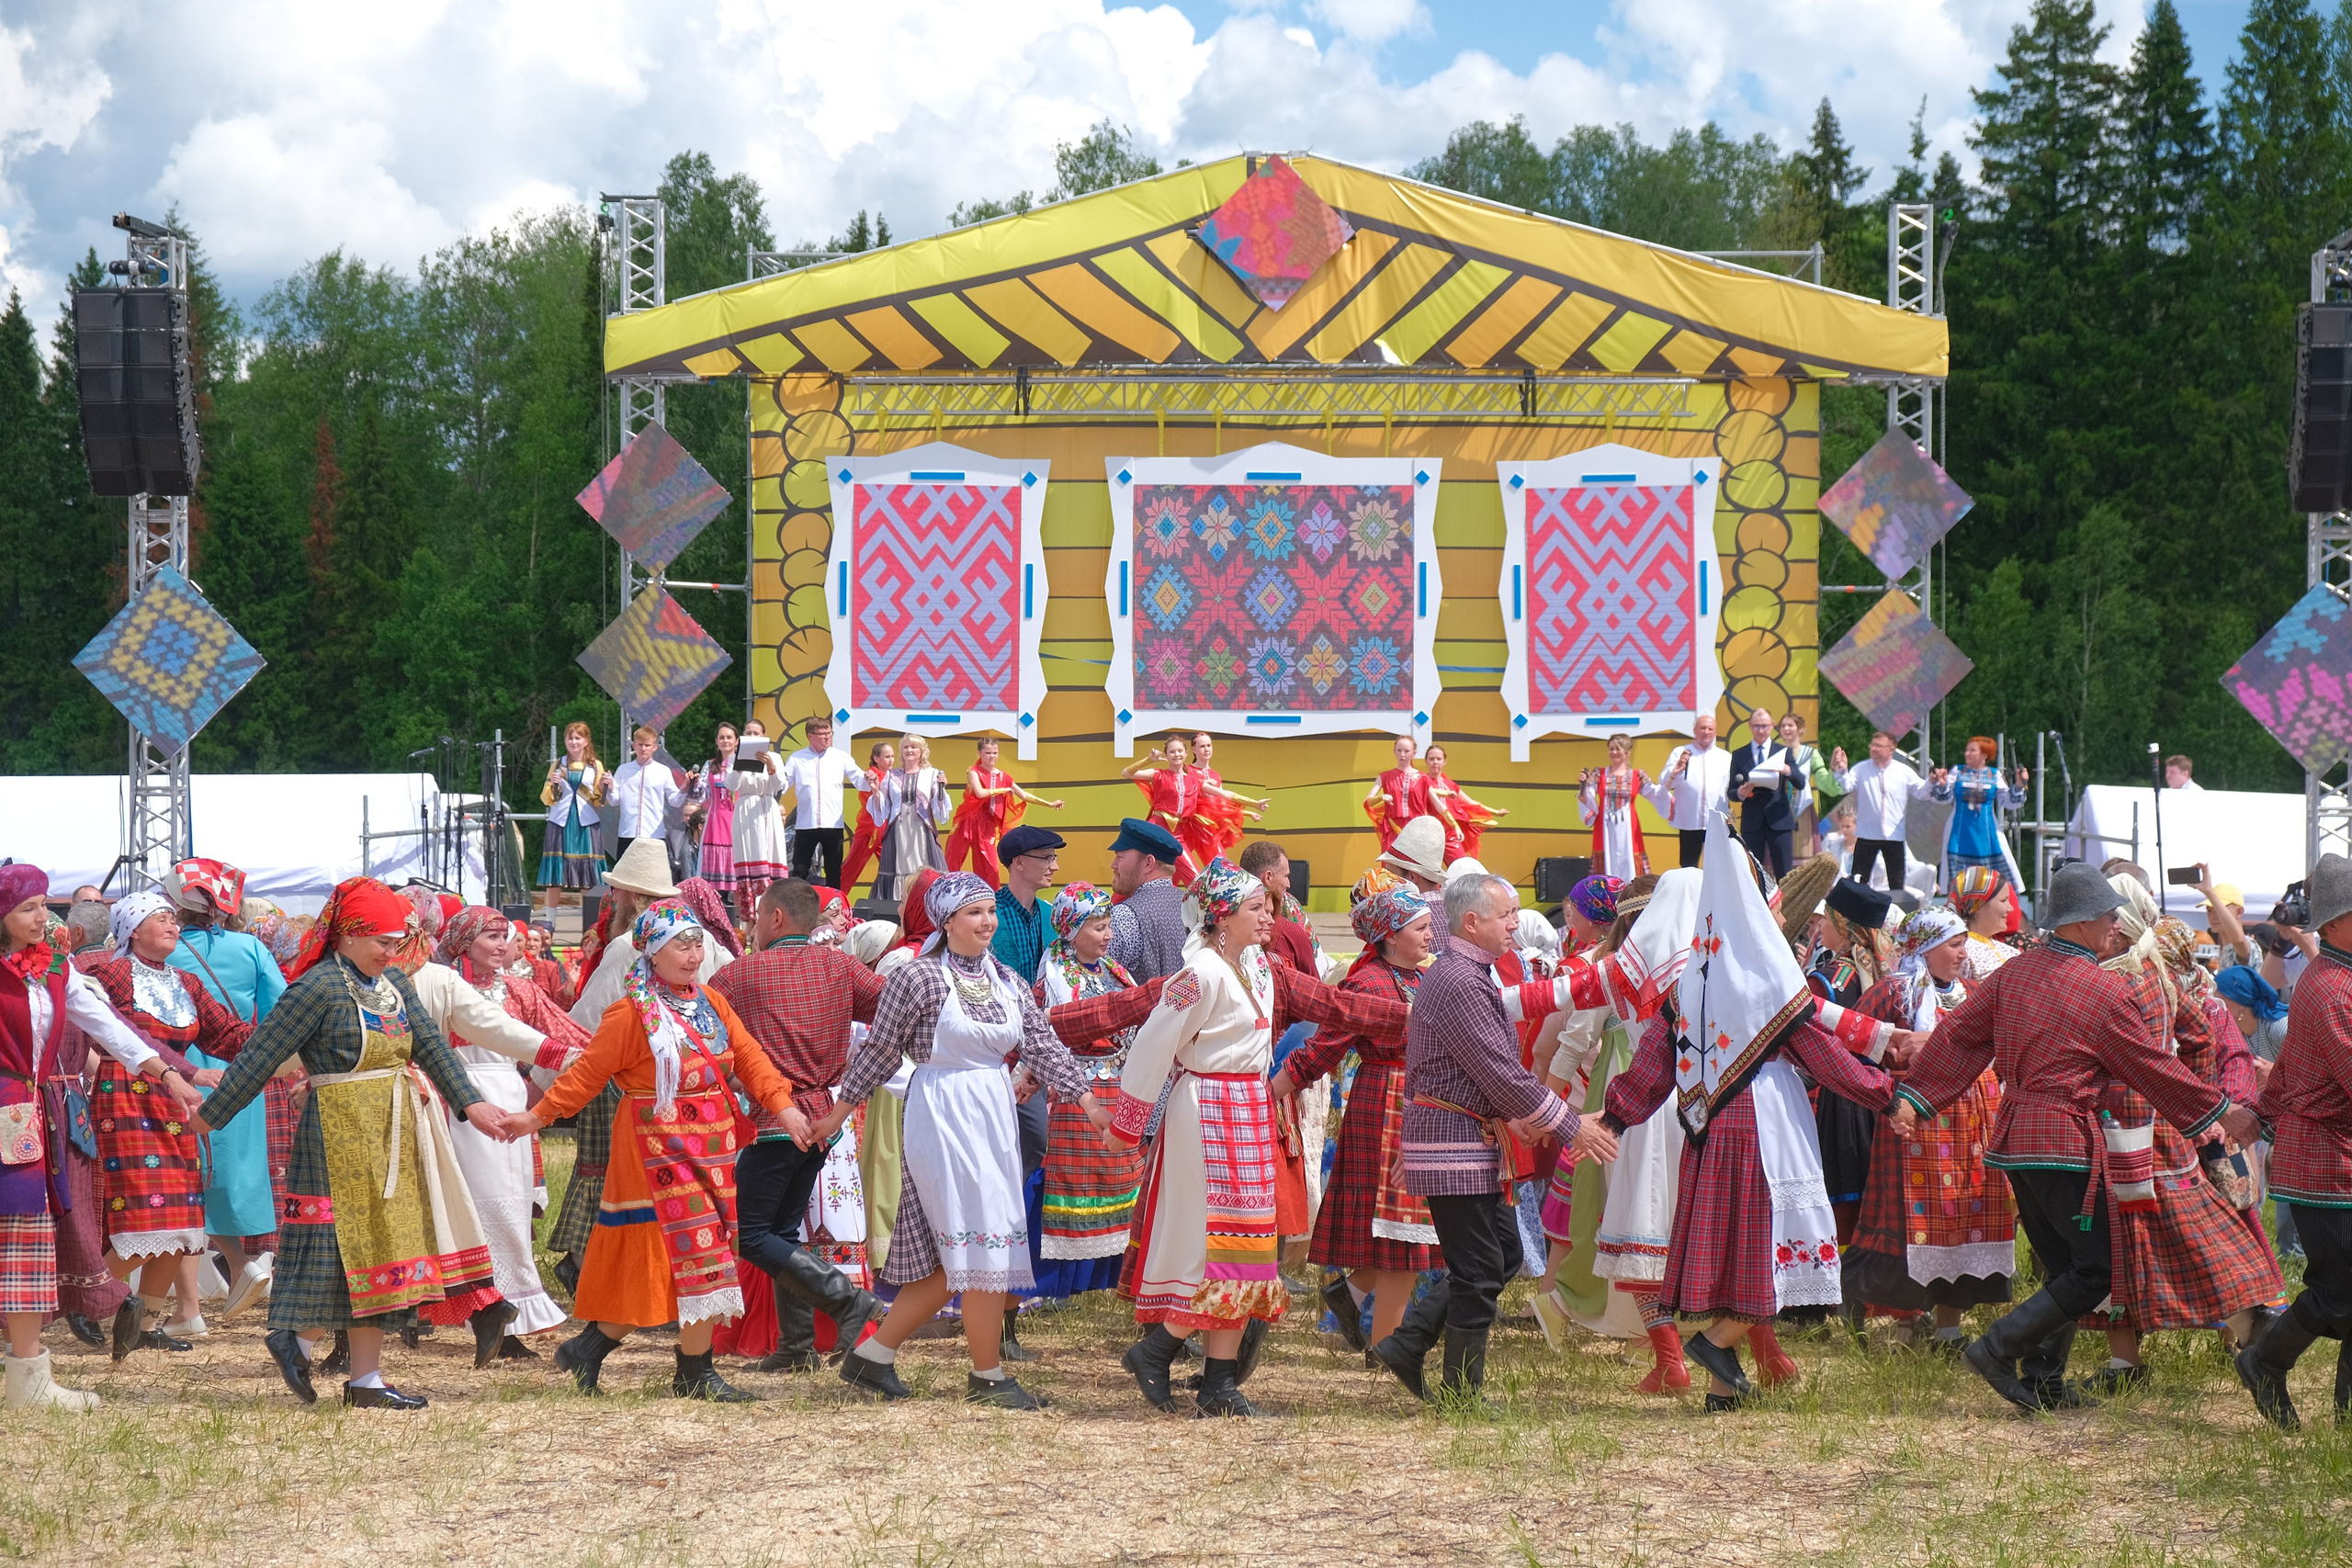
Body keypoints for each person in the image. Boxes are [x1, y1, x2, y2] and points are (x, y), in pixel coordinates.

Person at [1894, 862, 2261, 1412]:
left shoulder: (2011, 975)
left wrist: (1915, 1097)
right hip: (2064, 1143)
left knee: (2064, 1269)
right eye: (2109, 917)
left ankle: (2042, 1378)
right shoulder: (2101, 990)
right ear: (2082, 923)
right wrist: (2221, 1113)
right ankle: (1999, 1346)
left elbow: (1958, 1040)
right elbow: (2151, 1067)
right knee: (2100, 1270)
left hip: (2013, 1142)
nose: (2117, 925)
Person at [1597, 818, 1901, 1409]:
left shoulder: (1696, 978)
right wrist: (1886, 1095)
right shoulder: (1765, 980)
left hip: (1707, 1131)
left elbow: (1657, 1065)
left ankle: (1720, 1389)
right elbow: (1820, 1051)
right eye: (1776, 906)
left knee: (1735, 1248)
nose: (1784, 917)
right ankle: (1714, 1345)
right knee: (1769, 1244)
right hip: (1763, 1127)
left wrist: (1615, 1115)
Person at [194, 878, 507, 1410]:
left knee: (388, 1253)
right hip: (333, 1137)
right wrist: (208, 1118)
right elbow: (260, 1057)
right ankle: (296, 1338)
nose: (392, 953)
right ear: (349, 935)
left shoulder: (395, 986)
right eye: (383, 942)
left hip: (393, 1133)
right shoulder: (316, 988)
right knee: (332, 1249)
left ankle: (366, 1381)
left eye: (397, 942)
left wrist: (471, 1104)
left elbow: (431, 1046)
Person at [825, 872, 1107, 1410]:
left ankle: (874, 1355)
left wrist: (1088, 1103)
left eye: (990, 912)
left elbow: (1043, 1045)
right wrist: (837, 1113)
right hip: (943, 1112)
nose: (988, 922)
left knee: (962, 1252)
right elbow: (881, 1051)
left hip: (992, 1112)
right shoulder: (919, 979)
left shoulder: (1007, 981)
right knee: (982, 1242)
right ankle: (988, 1376)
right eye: (975, 913)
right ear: (947, 920)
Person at [501, 901, 797, 1402]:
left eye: (698, 943)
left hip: (713, 1144)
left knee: (695, 1251)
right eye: (681, 945)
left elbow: (749, 1057)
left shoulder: (711, 1003)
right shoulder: (630, 1013)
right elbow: (587, 1076)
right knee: (680, 1252)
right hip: (655, 1148)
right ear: (653, 954)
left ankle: (598, 1349)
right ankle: (692, 1370)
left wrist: (783, 1108)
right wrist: (535, 1117)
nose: (693, 954)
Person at [1363, 872, 1580, 1407]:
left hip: (1465, 1141)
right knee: (1481, 1266)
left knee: (1502, 1253)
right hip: (1453, 1143)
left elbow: (1487, 1071)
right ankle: (1459, 1389)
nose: (1515, 924)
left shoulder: (1468, 973)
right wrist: (1572, 1124)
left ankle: (1409, 1344)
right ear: (1472, 921)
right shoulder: (1461, 980)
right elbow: (1499, 1072)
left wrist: (1523, 1116)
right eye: (1506, 914)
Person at [1103, 860, 1297, 1417]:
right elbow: (1152, 1047)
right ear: (1221, 917)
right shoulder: (1199, 974)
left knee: (1248, 1245)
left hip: (1247, 1110)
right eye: (1255, 908)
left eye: (1268, 906)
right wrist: (1128, 1123)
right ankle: (1162, 1350)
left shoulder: (1256, 966)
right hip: (1206, 1110)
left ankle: (1216, 1381)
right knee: (1212, 1244)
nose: (1268, 916)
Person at [2077, 876, 2282, 1391]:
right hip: (2147, 1125)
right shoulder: (2147, 974)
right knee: (2143, 1240)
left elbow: (2197, 1040)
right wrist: (2186, 1092)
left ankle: (2246, 1329)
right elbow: (2196, 1039)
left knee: (2167, 1237)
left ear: (2120, 924)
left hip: (2135, 1129)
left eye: (2107, 917)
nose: (2102, 926)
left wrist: (2188, 1095)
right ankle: (2132, 1362)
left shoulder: (2120, 977)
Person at [0, 865, 180, 1410]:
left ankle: (28, 1378)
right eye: (29, 907)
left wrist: (169, 1072)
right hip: (13, 1109)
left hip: (22, 1125)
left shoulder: (54, 969)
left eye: (44, 906)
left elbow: (107, 1024)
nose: (43, 917)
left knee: (25, 1239)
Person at [706, 876, 889, 1373]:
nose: (753, 923)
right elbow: (894, 1009)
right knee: (783, 1230)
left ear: (776, 918)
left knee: (749, 1232)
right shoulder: (841, 966)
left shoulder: (739, 975)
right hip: (825, 1117)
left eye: (758, 914)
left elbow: (702, 1036)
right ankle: (797, 1343)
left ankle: (847, 1301)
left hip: (773, 1117)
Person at [1271, 886, 1437, 1359]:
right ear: (1390, 935)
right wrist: (1265, 1099)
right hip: (1386, 1104)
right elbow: (1321, 1049)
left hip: (1413, 1104)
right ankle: (1388, 1347)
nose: (1430, 935)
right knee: (1400, 1233)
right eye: (1421, 928)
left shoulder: (1418, 979)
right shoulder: (1368, 985)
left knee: (1402, 1231)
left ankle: (1352, 1297)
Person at [86, 893, 254, 1355]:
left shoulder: (187, 982)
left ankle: (143, 1322)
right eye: (157, 917)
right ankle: (82, 1298)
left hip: (173, 1102)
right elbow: (104, 1027)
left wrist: (282, 1032)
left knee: (180, 1218)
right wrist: (183, 1069)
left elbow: (228, 1034)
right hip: (124, 1093)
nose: (171, 923)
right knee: (143, 1213)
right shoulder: (110, 973)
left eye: (172, 917)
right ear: (132, 930)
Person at [1842, 908, 2015, 1349]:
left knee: (1961, 1218)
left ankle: (1948, 1331)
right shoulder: (1892, 994)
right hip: (1915, 1125)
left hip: (1972, 1125)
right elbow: (1850, 1050)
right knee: (1905, 1222)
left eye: (1963, 943)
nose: (1963, 952)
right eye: (1954, 943)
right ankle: (1890, 1320)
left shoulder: (1975, 993)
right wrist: (1888, 1088)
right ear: (1926, 946)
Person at [426, 907, 584, 1359]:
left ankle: (505, 1314)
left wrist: (613, 1054)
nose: (502, 946)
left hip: (508, 1102)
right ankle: (474, 1308)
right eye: (491, 937)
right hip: (457, 1097)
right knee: (466, 1206)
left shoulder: (520, 990)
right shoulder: (441, 989)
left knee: (509, 1206)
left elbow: (565, 1033)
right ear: (462, 942)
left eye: (506, 937)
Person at [2236, 852, 2352, 1427]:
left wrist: (2262, 1112)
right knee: (2336, 1291)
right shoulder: (2332, 988)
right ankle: (2264, 1359)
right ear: (2332, 925)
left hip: (2332, 1157)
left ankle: (2347, 1412)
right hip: (2323, 1162)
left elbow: (2283, 1077)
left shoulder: (2336, 980)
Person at [160, 856, 288, 1317]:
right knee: (234, 1175)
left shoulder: (161, 950)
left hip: (176, 1068)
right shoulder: (252, 949)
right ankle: (238, 1269)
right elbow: (279, 1013)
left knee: (181, 1181)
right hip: (242, 1069)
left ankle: (193, 1302)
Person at [1029, 882, 1146, 1299]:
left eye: (1108, 924)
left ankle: (1110, 1277)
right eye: (1098, 926)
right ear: (1071, 928)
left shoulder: (1117, 973)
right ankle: (1064, 1283)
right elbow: (1040, 1035)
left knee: (1118, 1177)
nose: (1107, 935)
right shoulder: (1053, 978)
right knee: (1076, 1181)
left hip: (1119, 1086)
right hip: (1076, 1092)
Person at [945, 737, 1063, 890]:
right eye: (988, 752)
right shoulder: (974, 771)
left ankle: (991, 899)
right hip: (967, 820)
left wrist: (1049, 804)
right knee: (953, 860)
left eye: (995, 752)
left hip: (987, 826)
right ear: (980, 753)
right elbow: (980, 793)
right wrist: (1003, 790)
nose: (992, 756)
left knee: (990, 866)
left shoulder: (1003, 776)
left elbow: (1024, 795)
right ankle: (945, 891)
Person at [778, 716, 876, 888]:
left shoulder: (840, 757)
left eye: (829, 733)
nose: (827, 737)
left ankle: (834, 909)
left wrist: (868, 777)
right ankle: (799, 908)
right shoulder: (797, 758)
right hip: (806, 823)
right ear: (810, 736)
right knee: (800, 870)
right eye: (822, 734)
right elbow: (783, 785)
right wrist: (774, 780)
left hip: (833, 823)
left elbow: (859, 781)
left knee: (833, 871)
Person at [1829, 731, 1931, 892]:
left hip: (1893, 835)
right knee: (1858, 880)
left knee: (1896, 883)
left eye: (1879, 746)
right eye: (1872, 745)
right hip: (1866, 835)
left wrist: (1932, 782)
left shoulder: (1903, 771)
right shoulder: (1862, 768)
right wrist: (1842, 770)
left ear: (1891, 749)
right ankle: (1856, 914)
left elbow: (1922, 791)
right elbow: (1846, 786)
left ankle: (1896, 914)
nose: (1874, 749)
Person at [1929, 737, 2026, 890]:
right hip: (1960, 830)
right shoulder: (1958, 771)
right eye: (1967, 750)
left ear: (1984, 755)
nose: (1967, 753)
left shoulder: (1994, 775)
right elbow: (1943, 798)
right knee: (1960, 882)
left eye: (1972, 750)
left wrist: (2019, 785)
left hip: (1987, 831)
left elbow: (2009, 802)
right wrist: (1942, 784)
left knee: (1992, 881)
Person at [1106, 818, 1192, 981]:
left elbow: (1100, 984)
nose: (1113, 864)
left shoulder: (1124, 916)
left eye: (1120, 856)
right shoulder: (1193, 907)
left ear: (1148, 863)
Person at [1726, 705, 1805, 877]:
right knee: (1753, 873)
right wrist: (1740, 793)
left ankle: (1786, 905)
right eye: (1756, 726)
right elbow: (1731, 791)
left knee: (1785, 873)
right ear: (1750, 726)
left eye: (1765, 726)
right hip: (1752, 821)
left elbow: (1800, 782)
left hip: (1780, 820)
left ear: (1772, 725)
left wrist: (1787, 770)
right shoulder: (1739, 754)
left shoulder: (1783, 752)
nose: (1761, 730)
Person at [538, 721, 608, 915]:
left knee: (587, 875)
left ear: (586, 741)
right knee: (555, 876)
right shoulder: (558, 763)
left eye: (578, 738)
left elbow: (599, 800)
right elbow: (546, 797)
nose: (574, 742)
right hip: (560, 822)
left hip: (586, 823)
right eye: (570, 738)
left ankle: (589, 923)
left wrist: (604, 787)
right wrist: (555, 787)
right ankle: (549, 923)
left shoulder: (595, 765)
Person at [1646, 713, 1731, 869]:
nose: (1706, 732)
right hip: (1689, 820)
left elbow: (1730, 788)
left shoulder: (1725, 757)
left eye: (1710, 728)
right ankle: (1691, 894)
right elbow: (1664, 782)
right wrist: (1676, 771)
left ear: (1716, 732)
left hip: (1715, 821)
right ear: (1694, 730)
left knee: (1717, 866)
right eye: (1703, 728)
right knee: (1688, 866)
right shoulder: (1681, 752)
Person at [876, 735, 951, 906]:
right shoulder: (891, 775)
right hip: (899, 829)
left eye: (914, 747)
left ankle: (927, 902)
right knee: (899, 866)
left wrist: (941, 790)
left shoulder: (931, 774)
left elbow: (940, 810)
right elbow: (883, 807)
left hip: (921, 828)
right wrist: (875, 791)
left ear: (921, 751)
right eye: (906, 747)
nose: (909, 750)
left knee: (923, 865)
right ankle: (899, 905)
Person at [1124, 735, 1209, 883]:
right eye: (1172, 752)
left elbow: (1224, 794)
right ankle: (1116, 904)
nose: (1177, 754)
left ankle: (1192, 905)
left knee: (1195, 879)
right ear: (1166, 755)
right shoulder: (1158, 774)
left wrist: (1254, 803)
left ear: (1186, 753)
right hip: (1156, 830)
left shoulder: (1194, 780)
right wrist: (1149, 759)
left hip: (1177, 835)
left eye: (1180, 751)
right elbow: (1126, 773)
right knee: (1139, 874)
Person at [991, 826, 1063, 986]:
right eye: (1047, 858)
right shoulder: (987, 915)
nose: (1055, 867)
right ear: (1019, 862)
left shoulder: (1050, 915)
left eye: (1054, 858)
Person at [729, 719, 789, 908]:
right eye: (748, 733)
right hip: (746, 808)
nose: (752, 736)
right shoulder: (735, 757)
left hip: (768, 807)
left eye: (756, 733)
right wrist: (738, 768)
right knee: (749, 856)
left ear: (764, 736)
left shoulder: (774, 756)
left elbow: (780, 785)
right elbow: (731, 785)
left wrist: (771, 766)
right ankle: (749, 918)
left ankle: (772, 907)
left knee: (771, 852)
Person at [684, 720, 745, 907]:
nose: (725, 741)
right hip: (716, 819)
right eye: (722, 737)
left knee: (737, 870)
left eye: (729, 737)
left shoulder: (744, 763)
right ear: (716, 741)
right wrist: (693, 783)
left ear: (736, 741)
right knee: (714, 880)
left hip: (738, 819)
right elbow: (700, 795)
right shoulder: (710, 765)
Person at [610, 726, 686, 869]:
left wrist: (684, 789)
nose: (643, 749)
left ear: (655, 747)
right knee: (625, 877)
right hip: (628, 832)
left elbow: (675, 801)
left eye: (647, 745)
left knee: (653, 877)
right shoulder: (623, 770)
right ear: (634, 745)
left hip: (653, 834)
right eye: (640, 745)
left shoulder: (663, 771)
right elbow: (614, 800)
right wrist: (609, 788)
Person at [1187, 733, 1269, 866]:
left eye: (1209, 745)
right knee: (1214, 863)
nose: (1207, 749)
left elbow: (1222, 804)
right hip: (1196, 824)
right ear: (1193, 749)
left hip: (1211, 826)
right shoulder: (1188, 771)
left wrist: (1248, 813)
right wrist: (1254, 803)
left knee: (1217, 863)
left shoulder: (1215, 775)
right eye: (1202, 746)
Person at [1577, 733, 1652, 879]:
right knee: (1605, 861)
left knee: (1630, 858)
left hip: (1629, 827)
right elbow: (1587, 796)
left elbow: (1655, 793)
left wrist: (1671, 780)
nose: (1614, 752)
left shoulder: (1637, 775)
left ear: (1628, 752)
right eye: (1611, 749)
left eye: (1618, 749)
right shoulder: (1599, 774)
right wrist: (1582, 786)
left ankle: (1631, 895)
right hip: (1605, 827)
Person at [1418, 743, 1506, 863]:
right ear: (1426, 761)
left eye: (1439, 759)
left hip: (1450, 833)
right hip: (1429, 833)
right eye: (1431, 759)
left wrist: (1496, 812)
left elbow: (1471, 803)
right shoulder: (1420, 781)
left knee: (1459, 866)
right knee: (1429, 872)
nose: (1435, 762)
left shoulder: (1451, 785)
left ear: (1445, 761)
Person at [838, 740, 898, 896]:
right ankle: (836, 900)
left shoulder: (891, 775)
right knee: (853, 866)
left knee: (894, 867)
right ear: (876, 759)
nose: (891, 760)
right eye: (887, 756)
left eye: (892, 756)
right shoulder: (871, 775)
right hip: (870, 827)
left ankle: (894, 900)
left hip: (886, 828)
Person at [1363, 736, 1436, 857]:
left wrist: (1454, 826)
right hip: (1393, 829)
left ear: (1414, 753)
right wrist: (1381, 798)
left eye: (1406, 751)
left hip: (1416, 830)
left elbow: (1438, 805)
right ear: (1394, 751)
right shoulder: (1385, 777)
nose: (1402, 754)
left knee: (1415, 868)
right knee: (1392, 868)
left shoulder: (1423, 778)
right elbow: (1367, 802)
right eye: (1399, 750)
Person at [1779, 713, 1838, 857]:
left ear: (1800, 729)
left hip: (1802, 808)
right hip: (1779, 809)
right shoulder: (1776, 752)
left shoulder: (1810, 753)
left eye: (1790, 725)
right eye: (1783, 726)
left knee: (1804, 852)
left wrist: (1834, 770)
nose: (1786, 728)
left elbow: (1824, 782)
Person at [1377, 816, 1450, 895]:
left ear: (1412, 877)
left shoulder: (1397, 905)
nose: (1385, 880)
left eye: (1391, 875)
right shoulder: (1446, 906)